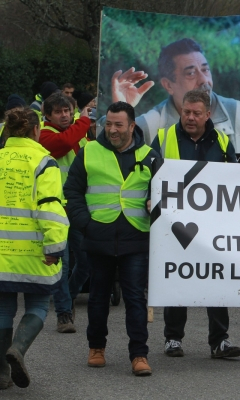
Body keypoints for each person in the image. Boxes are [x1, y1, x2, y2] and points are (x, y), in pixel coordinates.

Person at [64, 101, 158, 376]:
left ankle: (139, 354)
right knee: (98, 298)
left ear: (132, 126)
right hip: (98, 236)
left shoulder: (151, 155)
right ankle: (96, 348)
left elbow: (164, 193)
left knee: (135, 299)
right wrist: (86, 225)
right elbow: (72, 192)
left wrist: (155, 203)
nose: (113, 130)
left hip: (136, 237)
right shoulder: (89, 152)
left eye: (119, 125)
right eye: (109, 124)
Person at [149, 89, 240, 356]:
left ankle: (219, 340)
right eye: (186, 112)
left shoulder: (223, 142)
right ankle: (173, 338)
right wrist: (150, 199)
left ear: (208, 114)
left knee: (215, 280)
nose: (190, 117)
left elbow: (235, 179)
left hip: (213, 224)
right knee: (178, 277)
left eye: (196, 113)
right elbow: (152, 174)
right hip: (175, 224)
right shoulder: (164, 138)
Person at [0, 108, 68, 389]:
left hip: (1, 254)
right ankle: (18, 348)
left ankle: (2, 373)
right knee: (38, 305)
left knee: (3, 309)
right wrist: (55, 246)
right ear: (35, 131)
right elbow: (50, 207)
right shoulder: (44, 162)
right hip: (34, 253)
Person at [111, 38, 240, 151]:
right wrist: (119, 109)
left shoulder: (238, 113)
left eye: (205, 69)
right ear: (168, 85)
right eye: (191, 73)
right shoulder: (152, 124)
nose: (204, 79)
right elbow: (108, 145)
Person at [38, 92, 91, 333]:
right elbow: (63, 144)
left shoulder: (79, 134)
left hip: (78, 207)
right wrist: (84, 122)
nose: (65, 115)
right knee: (62, 261)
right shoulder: (45, 134)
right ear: (47, 115)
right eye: (59, 112)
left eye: (68, 111)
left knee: (87, 260)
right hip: (55, 209)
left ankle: (66, 296)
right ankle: (64, 313)